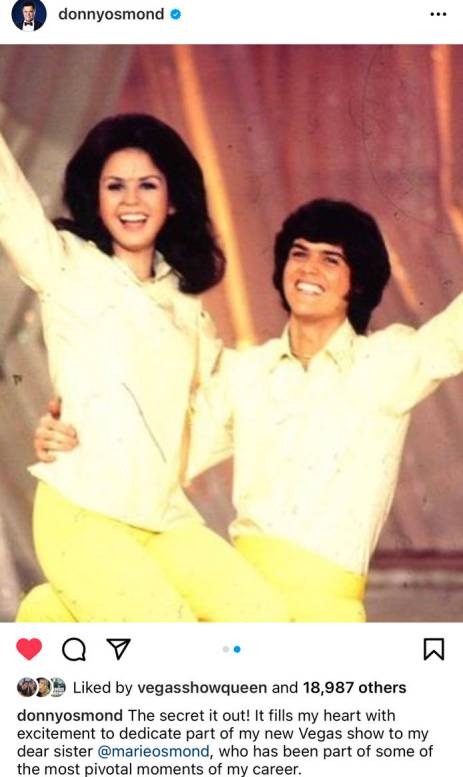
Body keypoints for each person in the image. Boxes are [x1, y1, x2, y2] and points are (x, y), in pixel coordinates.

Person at [36, 199, 463, 622]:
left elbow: (452, 335)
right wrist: (71, 433)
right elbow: (161, 449)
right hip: (232, 599)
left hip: (320, 610)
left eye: (330, 259)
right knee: (46, 608)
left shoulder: (384, 364)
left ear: (359, 283)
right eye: (299, 253)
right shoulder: (245, 373)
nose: (309, 269)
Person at [1, 114, 287, 622]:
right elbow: (10, 202)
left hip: (163, 517)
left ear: (172, 200)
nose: (131, 200)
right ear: (96, 198)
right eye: (115, 186)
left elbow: (218, 409)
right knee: (168, 637)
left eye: (148, 185)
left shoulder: (187, 306)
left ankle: (53, 614)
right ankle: (64, 609)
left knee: (264, 618)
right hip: (82, 512)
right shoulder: (66, 265)